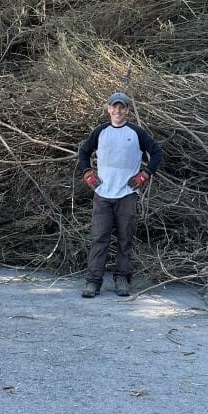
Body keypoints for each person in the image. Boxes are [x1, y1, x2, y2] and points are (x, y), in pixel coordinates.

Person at [76, 92, 163, 298]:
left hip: (127, 193)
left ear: (127, 110)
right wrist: (88, 172)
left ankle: (122, 279)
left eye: (121, 107)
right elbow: (83, 152)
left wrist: (146, 173)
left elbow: (157, 153)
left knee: (125, 238)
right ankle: (93, 282)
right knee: (100, 238)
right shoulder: (101, 132)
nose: (117, 111)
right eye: (114, 107)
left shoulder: (136, 133)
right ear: (108, 109)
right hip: (103, 194)